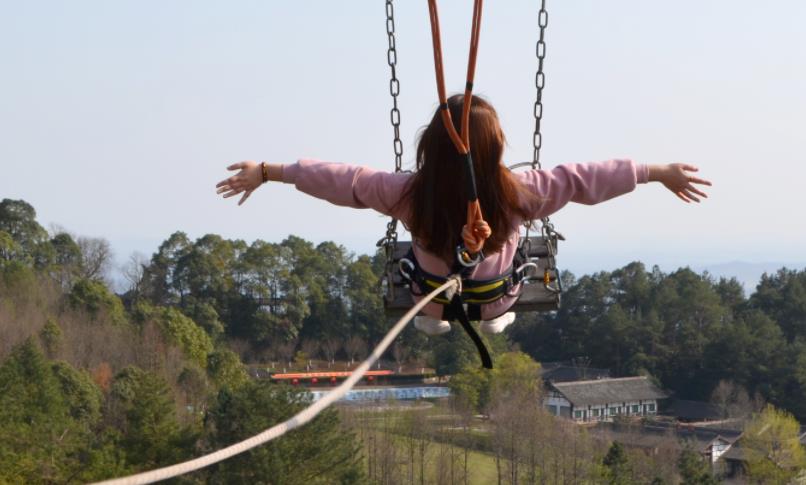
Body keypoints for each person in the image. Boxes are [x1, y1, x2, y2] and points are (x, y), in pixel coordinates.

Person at [216, 95, 711, 336]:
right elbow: (585, 178)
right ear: (496, 148)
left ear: (431, 146)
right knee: (498, 306)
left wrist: (269, 171)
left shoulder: (407, 194)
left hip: (429, 303)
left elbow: (342, 179)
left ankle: (439, 321)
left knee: (431, 310)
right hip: (498, 300)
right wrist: (653, 171)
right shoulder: (521, 192)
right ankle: (494, 317)